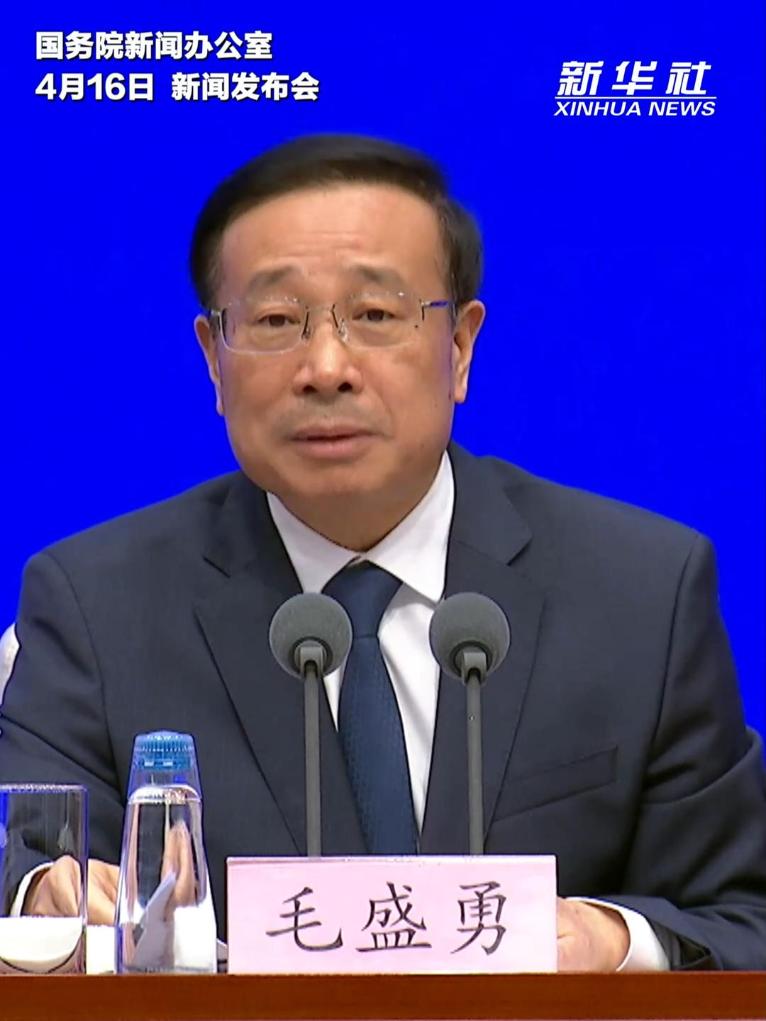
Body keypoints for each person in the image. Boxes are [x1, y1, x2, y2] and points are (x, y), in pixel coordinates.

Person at [1, 134, 764, 971]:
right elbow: (24, 861)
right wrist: (42, 898)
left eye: (374, 315)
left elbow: (743, 915)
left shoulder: (640, 591)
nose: (326, 367)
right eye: (276, 321)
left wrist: (615, 941)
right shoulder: (95, 603)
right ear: (214, 359)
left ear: (460, 347)